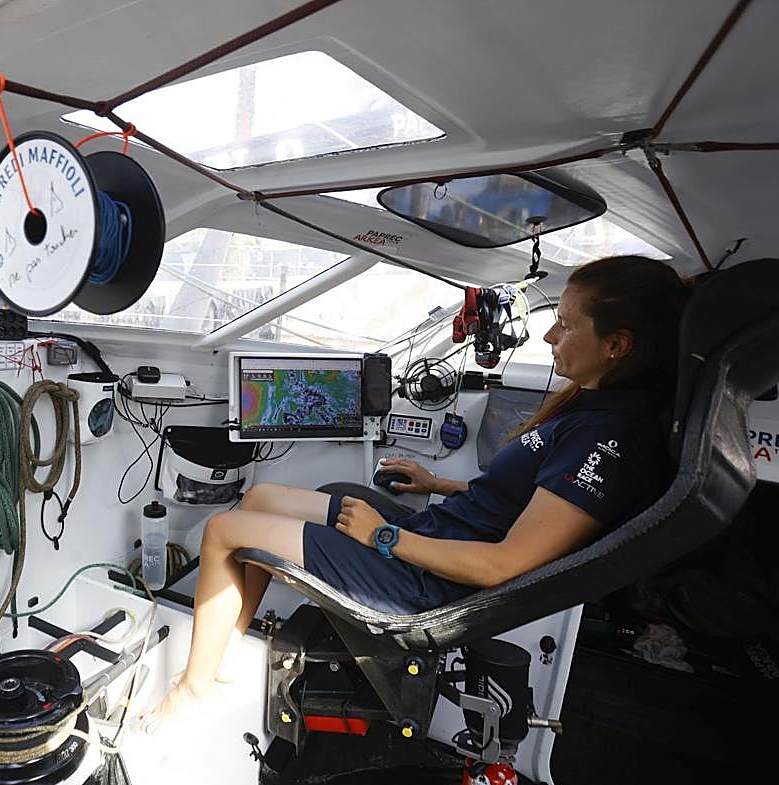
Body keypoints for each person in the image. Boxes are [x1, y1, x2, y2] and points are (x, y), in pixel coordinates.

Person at [140, 255, 691, 733]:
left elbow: (506, 564)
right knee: (258, 500)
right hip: (434, 537)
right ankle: (224, 650)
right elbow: (527, 500)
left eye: (566, 326)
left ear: (617, 345)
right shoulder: (593, 408)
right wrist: (440, 485)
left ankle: (193, 690)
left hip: (428, 583)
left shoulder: (608, 438)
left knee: (222, 530)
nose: (550, 337)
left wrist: (385, 536)